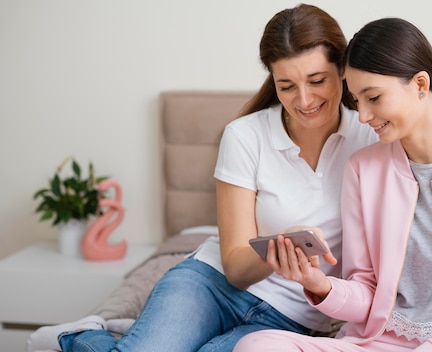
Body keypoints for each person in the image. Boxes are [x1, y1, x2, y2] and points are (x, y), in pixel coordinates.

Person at [26, 4, 377, 352]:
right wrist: (277, 247)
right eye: (286, 86)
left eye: (317, 81)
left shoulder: (371, 138)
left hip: (293, 317)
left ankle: (99, 339)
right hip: (210, 284)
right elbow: (236, 269)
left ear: (342, 71)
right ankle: (77, 336)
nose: (304, 99)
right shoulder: (245, 136)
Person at [233, 17, 432, 352]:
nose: (362, 115)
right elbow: (367, 289)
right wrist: (319, 285)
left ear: (420, 84)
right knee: (257, 345)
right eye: (356, 100)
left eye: (372, 98)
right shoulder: (362, 168)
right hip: (384, 342)